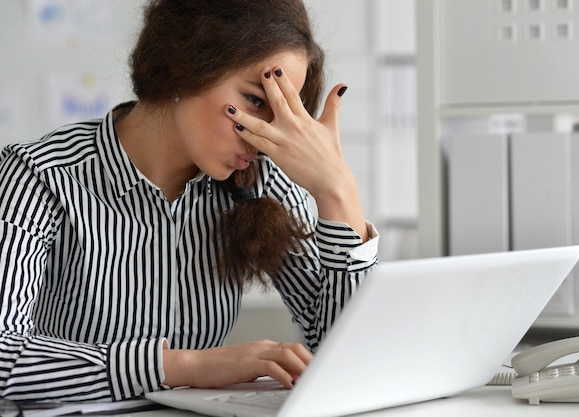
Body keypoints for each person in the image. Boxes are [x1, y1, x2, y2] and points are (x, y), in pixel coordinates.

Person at [0, 0, 378, 403]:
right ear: (187, 66)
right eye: (254, 101)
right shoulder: (39, 175)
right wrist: (186, 367)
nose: (263, 135)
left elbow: (353, 355)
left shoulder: (260, 181)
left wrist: (338, 191)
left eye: (280, 115)